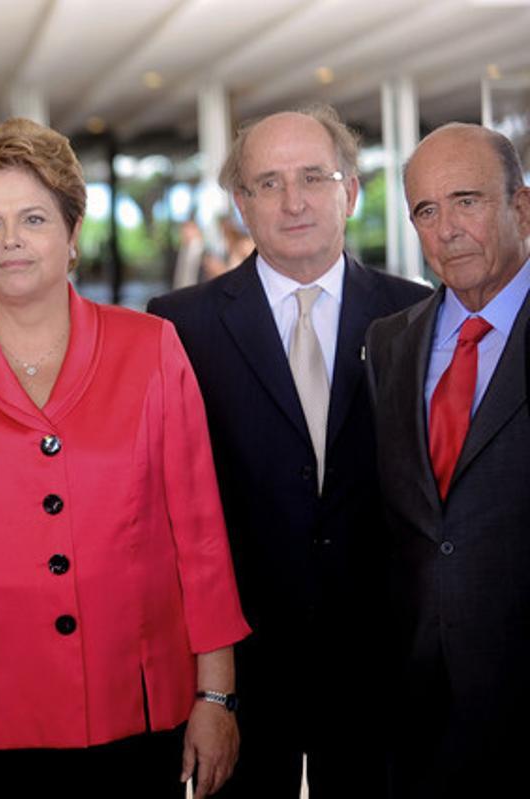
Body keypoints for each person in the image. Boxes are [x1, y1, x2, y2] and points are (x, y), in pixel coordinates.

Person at [0, 117, 250, 799]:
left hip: (137, 709)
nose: (12, 241)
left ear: (73, 235)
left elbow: (199, 536)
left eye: (34, 219)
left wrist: (216, 697)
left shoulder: (153, 348)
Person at [148, 105, 429, 799]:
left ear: (351, 190)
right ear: (241, 203)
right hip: (240, 665)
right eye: (267, 183)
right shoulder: (176, 325)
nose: (293, 200)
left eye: (313, 176)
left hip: (381, 666)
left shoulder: (417, 314)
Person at [365, 122, 530, 799]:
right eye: (426, 210)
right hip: (418, 707)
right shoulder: (389, 342)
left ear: (522, 206)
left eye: (467, 200)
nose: (446, 228)